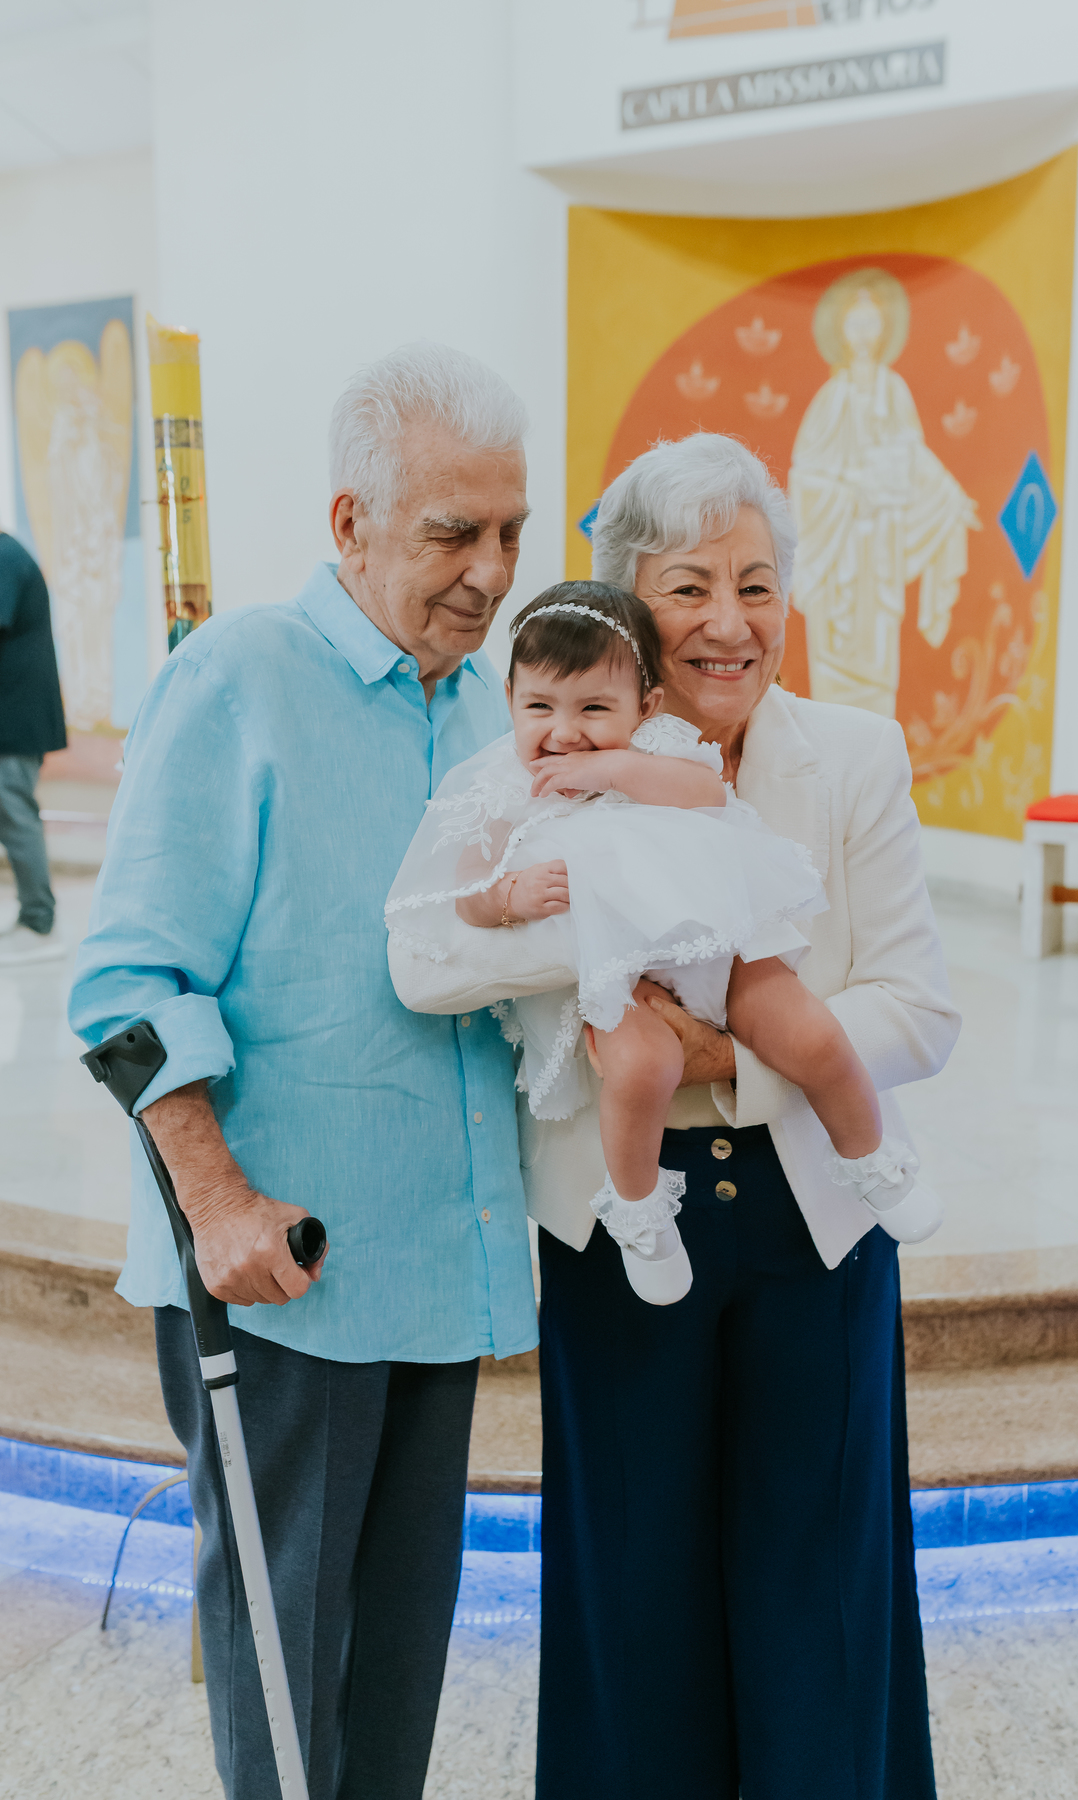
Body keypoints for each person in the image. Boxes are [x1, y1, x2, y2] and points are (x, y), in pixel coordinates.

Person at [396, 432, 961, 1799]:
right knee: (631, 1576)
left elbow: (918, 1009)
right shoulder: (536, 745)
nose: (729, 622)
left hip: (811, 1216)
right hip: (617, 1215)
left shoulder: (853, 757)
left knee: (816, 1578)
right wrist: (597, 940)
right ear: (626, 607)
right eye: (691, 585)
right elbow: (432, 955)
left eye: (757, 585)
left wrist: (723, 1059)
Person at [69, 342, 539, 1800]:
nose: (488, 567)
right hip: (285, 1277)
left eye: (511, 530)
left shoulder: (484, 711)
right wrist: (216, 1205)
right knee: (282, 1692)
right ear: (349, 525)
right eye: (451, 531)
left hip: (436, 1274)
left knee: (395, 1673)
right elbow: (127, 987)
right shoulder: (238, 679)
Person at [388, 581, 942, 1309]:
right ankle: (641, 1213)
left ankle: (872, 1158)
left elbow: (707, 795)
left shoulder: (655, 752)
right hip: (623, 976)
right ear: (511, 701)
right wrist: (505, 899)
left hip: (725, 948)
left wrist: (608, 770)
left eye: (594, 709)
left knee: (811, 1034)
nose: (564, 733)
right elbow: (465, 892)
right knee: (641, 1069)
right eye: (539, 708)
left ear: (643, 708)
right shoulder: (506, 789)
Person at [790, 267, 979, 718]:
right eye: (855, 322)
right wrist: (850, 492)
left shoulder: (894, 392)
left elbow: (915, 458)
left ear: (884, 329)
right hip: (840, 552)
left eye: (872, 321)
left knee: (876, 661)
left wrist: (951, 498)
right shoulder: (831, 397)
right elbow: (804, 477)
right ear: (840, 329)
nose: (863, 331)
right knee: (836, 689)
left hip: (880, 550)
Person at [0, 530, 67, 965]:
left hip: (16, 716)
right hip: (12, 713)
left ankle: (40, 923)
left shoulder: (4, 555)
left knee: (14, 810)